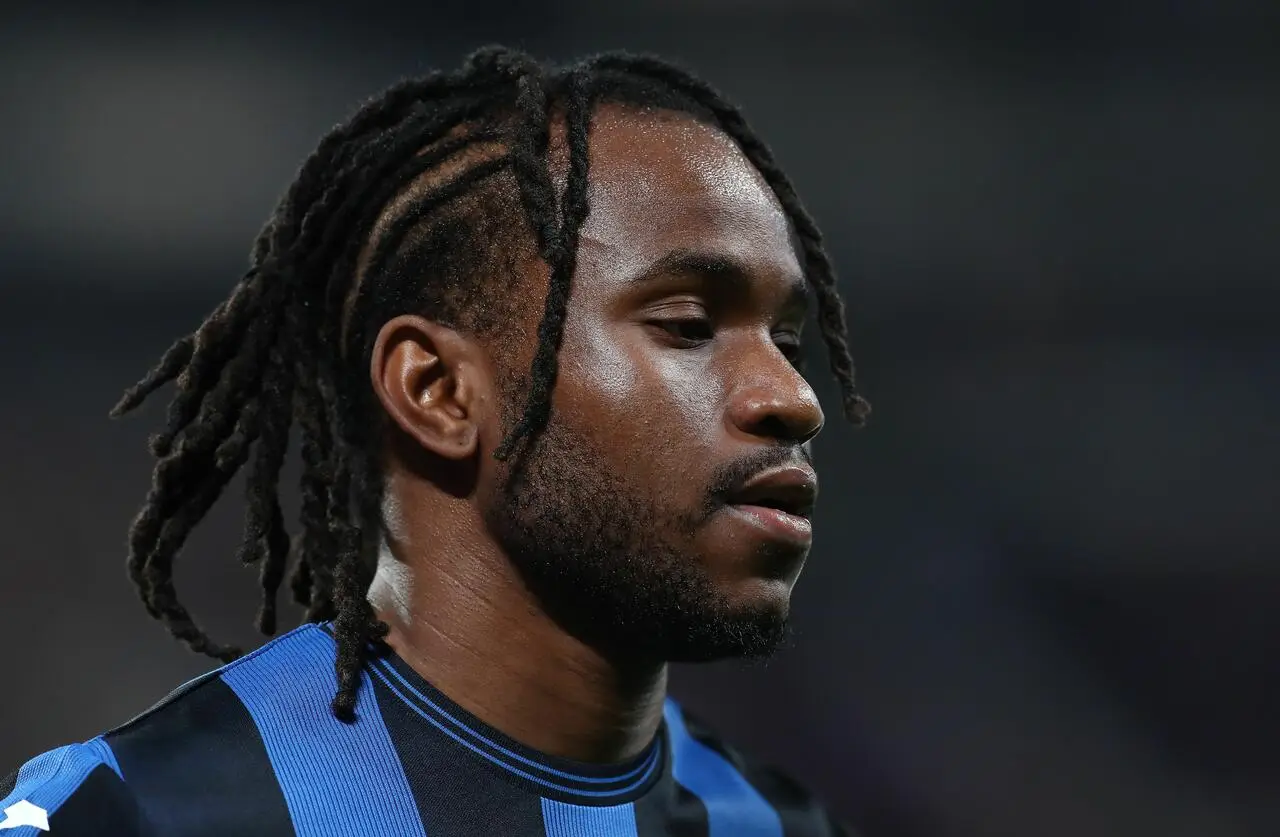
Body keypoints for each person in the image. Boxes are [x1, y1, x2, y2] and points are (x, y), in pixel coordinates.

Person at [1, 46, 870, 835]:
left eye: (788, 344)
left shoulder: (777, 823)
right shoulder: (136, 816)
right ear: (438, 391)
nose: (792, 397)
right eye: (688, 324)